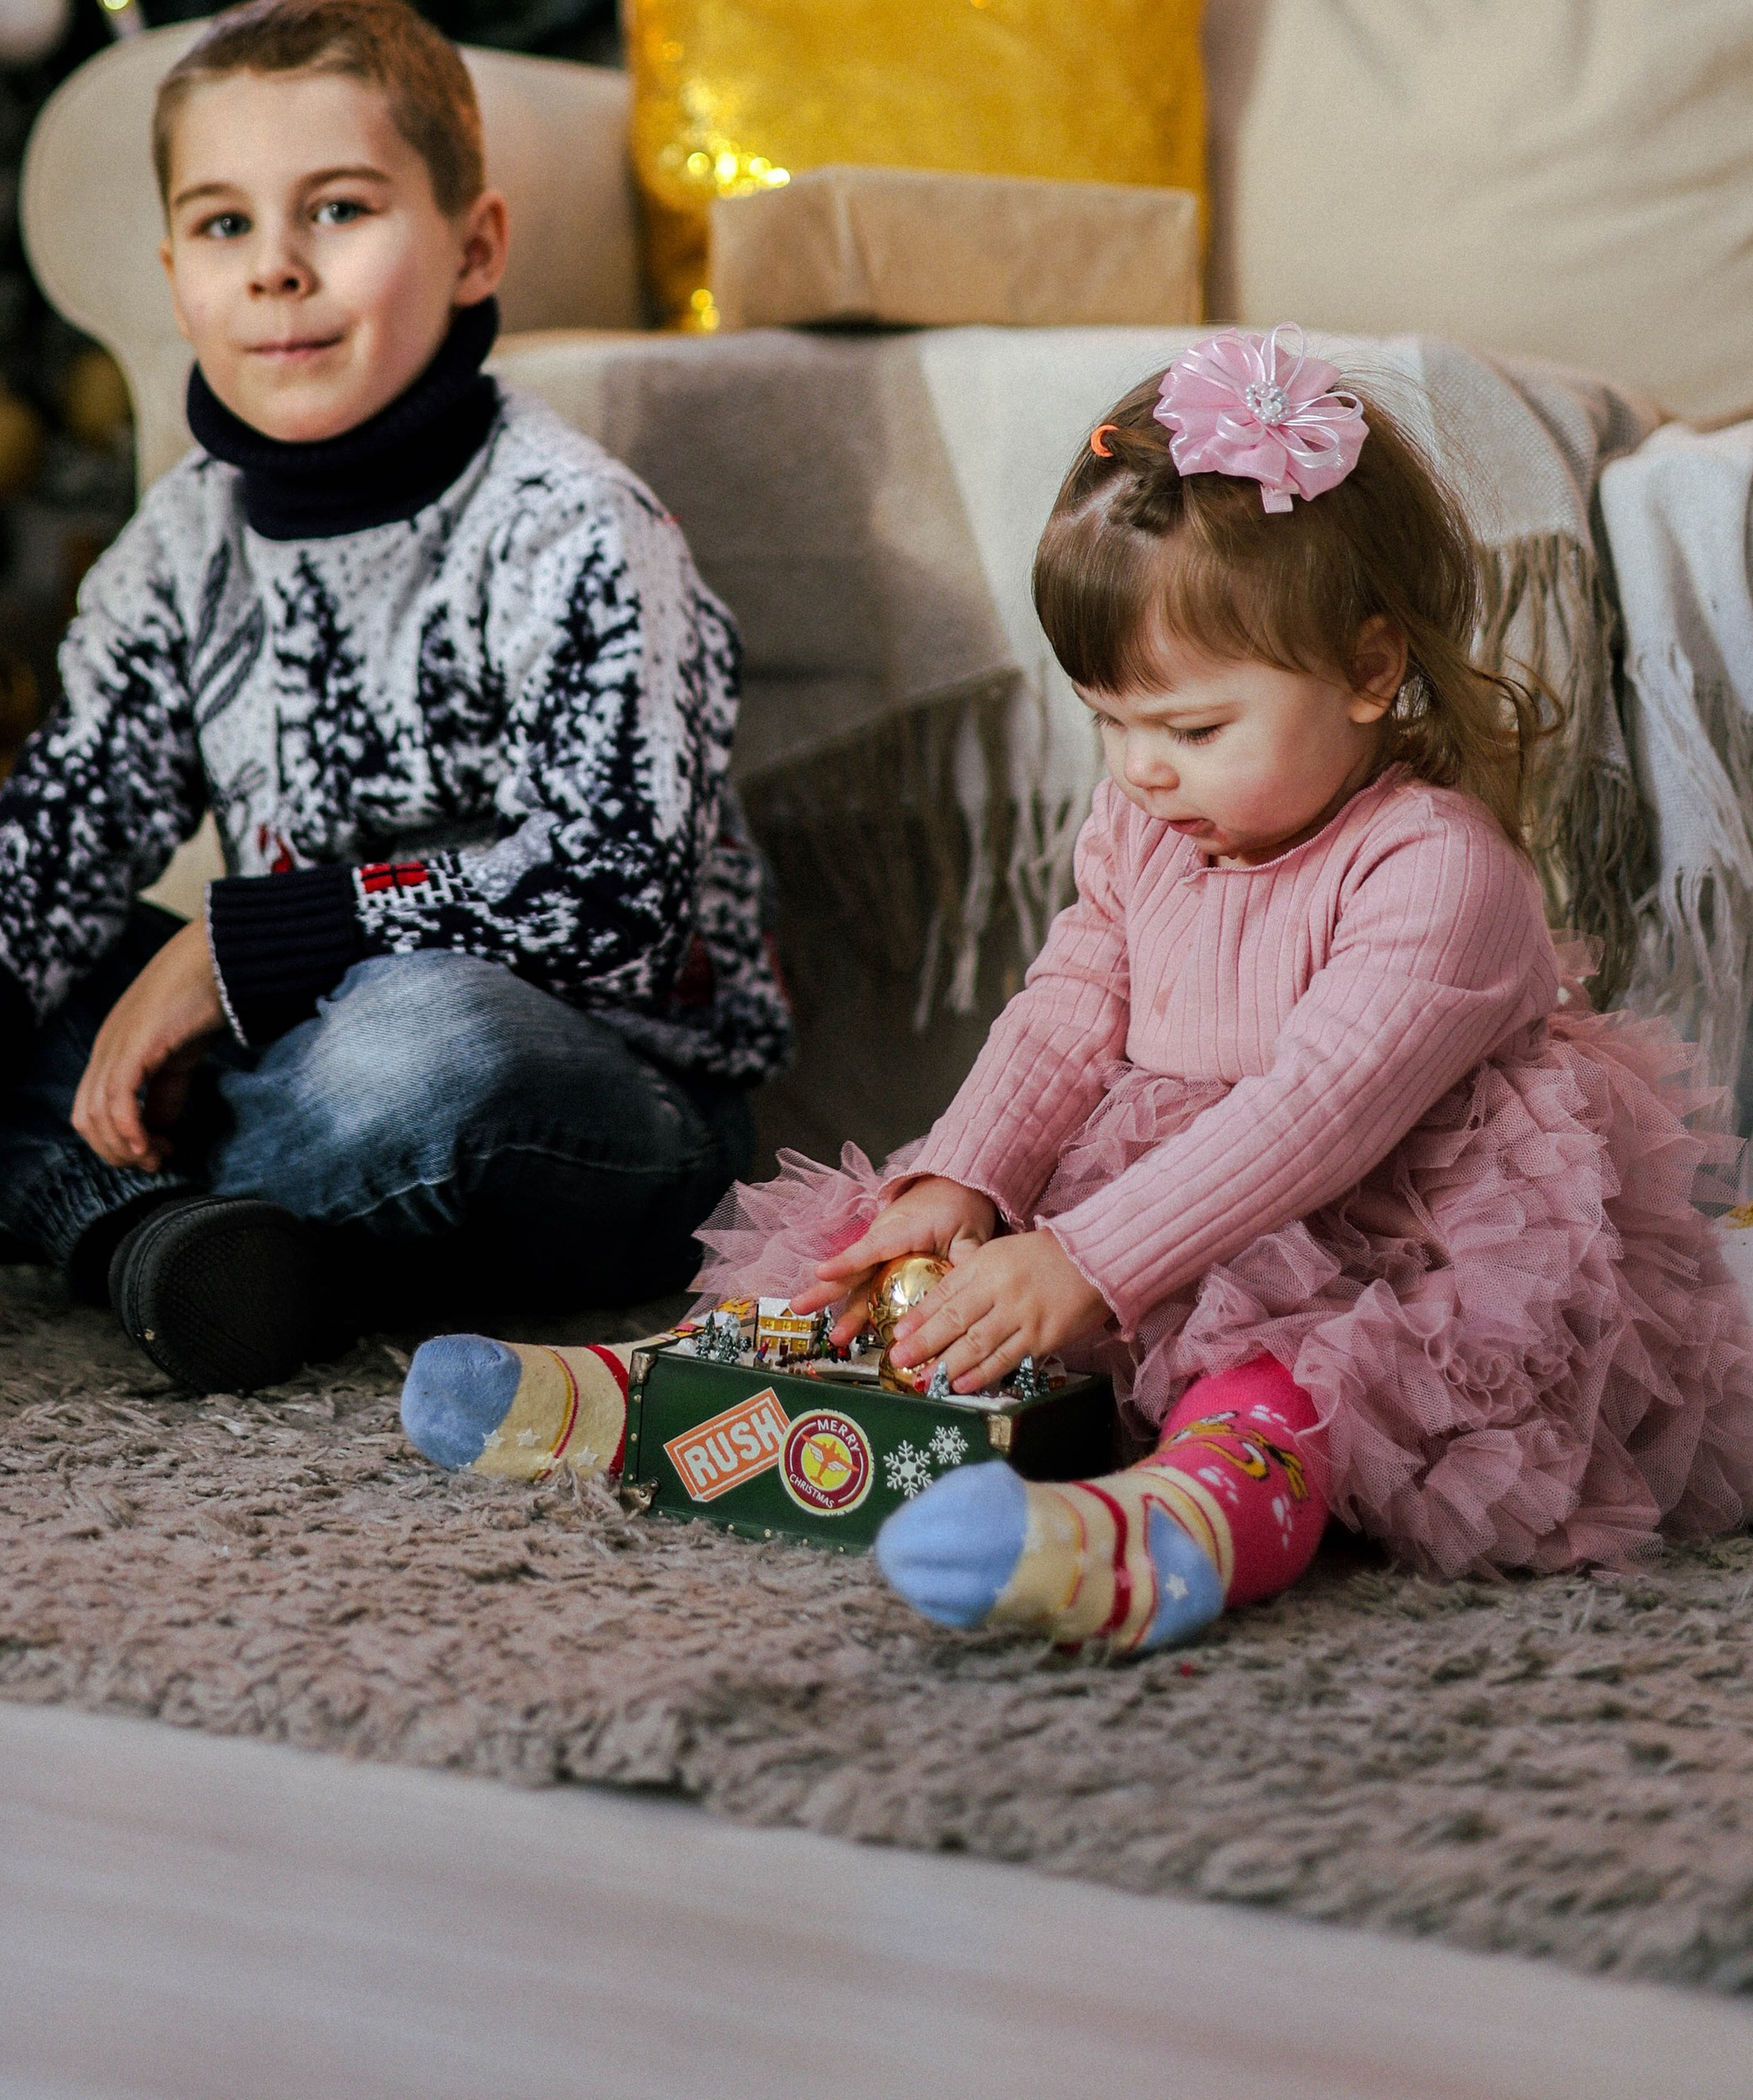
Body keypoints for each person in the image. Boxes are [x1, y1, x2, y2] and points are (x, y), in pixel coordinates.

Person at [402, 328, 1753, 1656]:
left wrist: (1093, 1261)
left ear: (1370, 669)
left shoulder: (1439, 870)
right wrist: (967, 1180)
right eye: (1110, 721)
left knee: (1303, 1384)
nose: (1142, 771)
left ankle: (1168, 1532)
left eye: (1192, 727)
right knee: (881, 1265)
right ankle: (655, 1395)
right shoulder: (1141, 827)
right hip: (1162, 1192)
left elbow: (1313, 1114)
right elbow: (1066, 1008)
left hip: (1381, 1227)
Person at [0, 0, 788, 1393]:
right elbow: (59, 830)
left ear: (474, 246)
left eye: (337, 210)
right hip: (282, 1060)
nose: (276, 268)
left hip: (589, 1102)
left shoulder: (575, 527)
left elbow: (615, 905)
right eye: (225, 226)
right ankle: (183, 1235)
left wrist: (231, 954)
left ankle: (61, 1193)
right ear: (174, 273)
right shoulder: (190, 536)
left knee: (418, 1044)